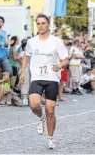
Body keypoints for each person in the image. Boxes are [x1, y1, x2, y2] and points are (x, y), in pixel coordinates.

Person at [20, 14, 68, 149]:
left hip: (52, 77)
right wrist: (23, 72)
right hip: (37, 77)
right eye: (38, 23)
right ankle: (41, 117)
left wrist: (60, 65)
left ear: (48, 25)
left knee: (50, 110)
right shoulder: (32, 42)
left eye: (43, 23)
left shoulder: (56, 42)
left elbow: (65, 58)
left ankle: (51, 138)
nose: (41, 26)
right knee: (34, 104)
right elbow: (26, 56)